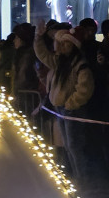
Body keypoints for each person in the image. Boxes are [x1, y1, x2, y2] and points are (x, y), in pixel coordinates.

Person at [34, 26, 94, 185]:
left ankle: (83, 179)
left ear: (74, 46)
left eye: (67, 44)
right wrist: (38, 38)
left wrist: (70, 103)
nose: (63, 47)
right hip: (61, 110)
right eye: (62, 44)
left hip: (72, 111)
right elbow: (42, 55)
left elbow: (85, 88)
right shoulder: (60, 63)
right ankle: (76, 176)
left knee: (75, 147)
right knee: (68, 146)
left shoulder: (80, 65)